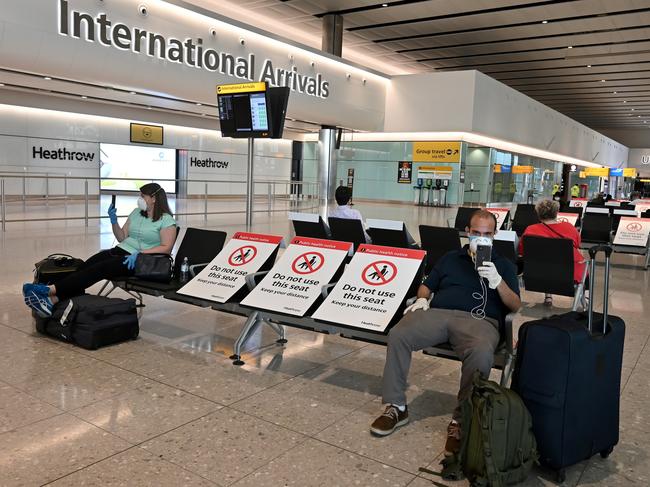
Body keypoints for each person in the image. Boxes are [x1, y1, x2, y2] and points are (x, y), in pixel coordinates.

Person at [369, 210, 520, 477]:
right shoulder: (451, 258)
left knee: (482, 353)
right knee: (399, 334)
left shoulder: (505, 264)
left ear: (494, 236)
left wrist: (497, 282)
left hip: (480, 321)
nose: (481, 239)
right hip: (438, 313)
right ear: (467, 232)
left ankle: (461, 420)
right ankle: (396, 407)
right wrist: (422, 299)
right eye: (476, 233)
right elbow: (428, 285)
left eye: (487, 234)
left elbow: (515, 305)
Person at [23, 183, 176, 317]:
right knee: (85, 267)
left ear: (154, 199)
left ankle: (48, 291)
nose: (140, 199)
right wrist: (114, 221)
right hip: (121, 250)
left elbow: (166, 248)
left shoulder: (166, 220)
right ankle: (51, 301)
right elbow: (122, 237)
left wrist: (140, 254)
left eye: (143, 196)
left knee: (100, 269)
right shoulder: (136, 213)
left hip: (139, 261)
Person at [518, 199, 586, 307]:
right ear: (556, 212)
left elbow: (522, 251)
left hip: (536, 274)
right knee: (558, 261)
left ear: (538, 213)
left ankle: (548, 295)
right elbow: (577, 245)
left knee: (546, 261)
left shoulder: (530, 230)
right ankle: (582, 302)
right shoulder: (569, 228)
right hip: (568, 274)